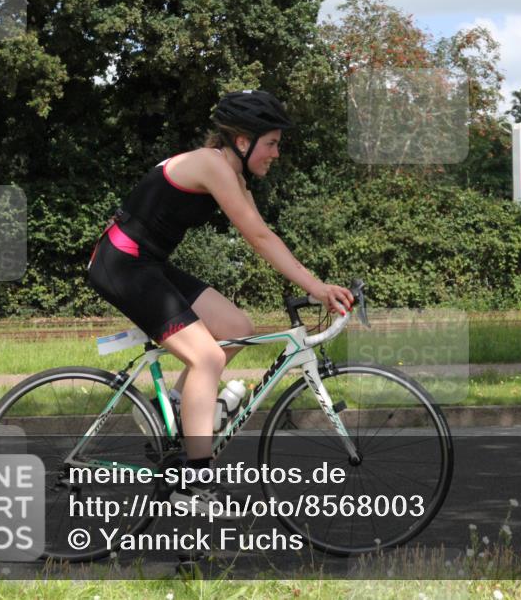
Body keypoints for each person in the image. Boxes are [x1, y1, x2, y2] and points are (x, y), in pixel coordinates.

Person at [86, 89, 354, 516]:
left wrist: (316, 282)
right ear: (242, 142)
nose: (277, 153)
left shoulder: (232, 174)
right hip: (122, 264)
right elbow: (259, 238)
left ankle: (170, 410)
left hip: (146, 263)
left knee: (236, 327)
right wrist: (319, 287)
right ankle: (192, 488)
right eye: (272, 143)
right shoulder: (212, 165)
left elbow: (266, 234)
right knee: (207, 359)